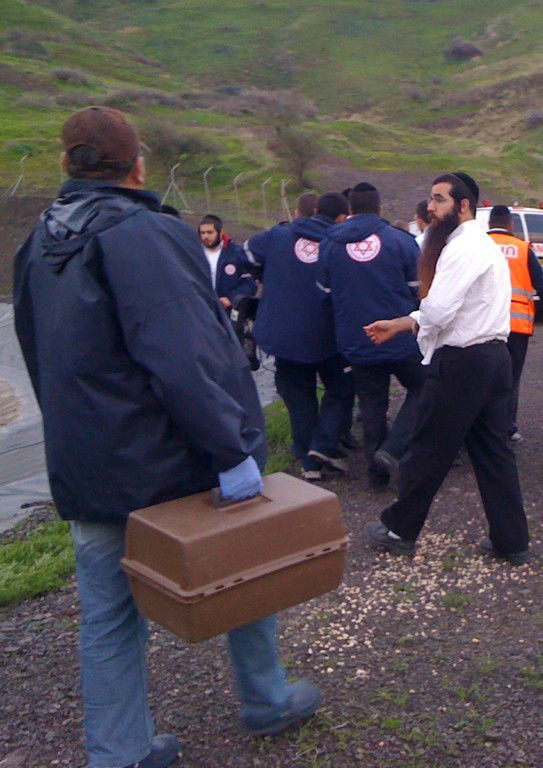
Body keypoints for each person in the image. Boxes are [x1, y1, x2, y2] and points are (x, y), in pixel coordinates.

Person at [13, 107, 319, 768]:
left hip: (90, 466)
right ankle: (265, 698)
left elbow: (38, 354)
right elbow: (186, 356)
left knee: (106, 615)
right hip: (167, 461)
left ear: (66, 165)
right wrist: (231, 449)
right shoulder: (147, 234)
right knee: (243, 562)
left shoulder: (35, 244)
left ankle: (120, 753)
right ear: (139, 168)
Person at [361, 172, 531, 565]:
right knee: (494, 454)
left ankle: (399, 530)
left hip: (464, 363)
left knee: (427, 447)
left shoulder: (464, 247)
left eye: (438, 200)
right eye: (431, 200)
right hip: (493, 359)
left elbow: (438, 310)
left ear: (463, 204)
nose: (430, 209)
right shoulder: (479, 244)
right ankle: (511, 541)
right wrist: (403, 323)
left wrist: (403, 322)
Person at [319, 182, 425, 489]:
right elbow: (419, 294)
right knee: (425, 386)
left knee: (372, 405)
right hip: (401, 338)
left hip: (358, 340)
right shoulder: (401, 241)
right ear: (380, 209)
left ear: (350, 210)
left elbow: (325, 296)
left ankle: (376, 476)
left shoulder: (330, 245)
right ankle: (393, 450)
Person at [244, 192, 355, 480]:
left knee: (298, 394)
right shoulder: (341, 241)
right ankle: (321, 447)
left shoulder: (279, 236)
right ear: (341, 217)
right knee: (342, 387)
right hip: (329, 333)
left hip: (284, 333)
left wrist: (263, 274)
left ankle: (310, 460)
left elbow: (245, 252)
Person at [487, 204, 543, 442]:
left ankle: (482, 426)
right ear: (511, 225)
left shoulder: (479, 246)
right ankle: (507, 427)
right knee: (510, 378)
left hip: (485, 324)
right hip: (517, 326)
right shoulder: (522, 248)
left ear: (489, 224)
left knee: (484, 377)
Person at [197, 213, 259, 310]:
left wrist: (232, 298)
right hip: (201, 310)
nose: (205, 236)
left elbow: (250, 282)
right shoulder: (195, 253)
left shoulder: (236, 253)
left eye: (210, 232)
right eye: (202, 233)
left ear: (220, 233)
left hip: (228, 312)